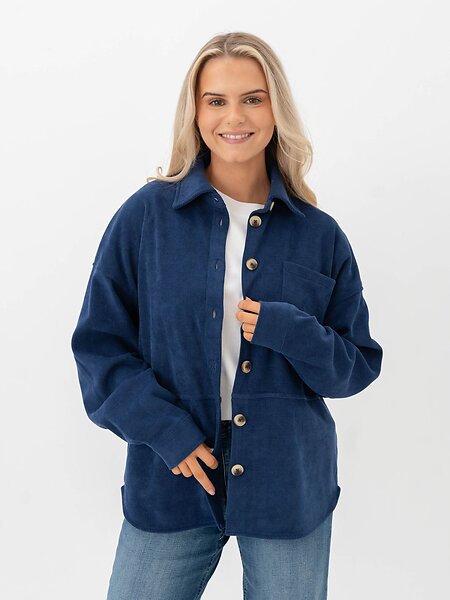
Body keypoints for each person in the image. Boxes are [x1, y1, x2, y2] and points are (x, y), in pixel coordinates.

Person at [71, 31, 383, 600]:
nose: (234, 117)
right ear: (195, 112)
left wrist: (290, 330)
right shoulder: (146, 217)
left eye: (252, 99)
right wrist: (165, 431)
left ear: (275, 109)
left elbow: (355, 367)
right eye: (216, 100)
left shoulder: (319, 235)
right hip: (172, 475)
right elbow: (100, 346)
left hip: (287, 483)